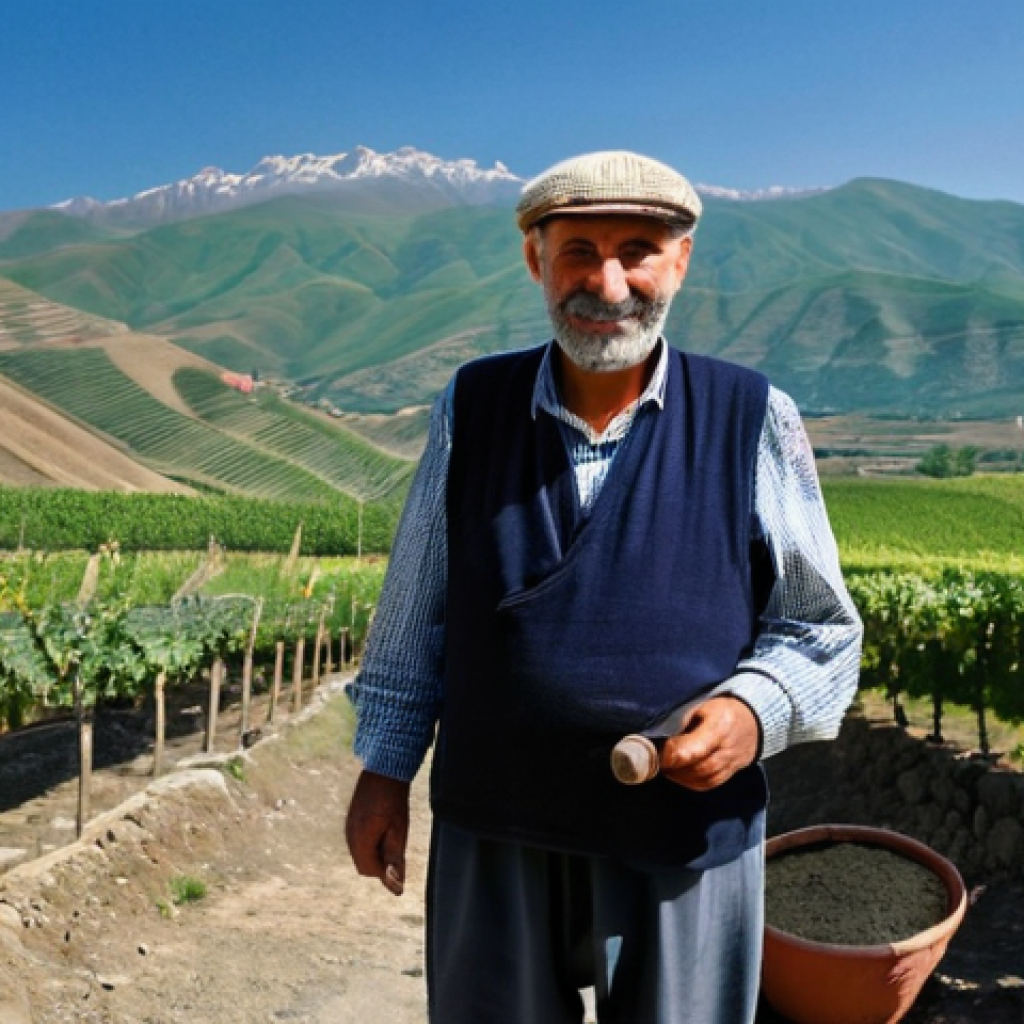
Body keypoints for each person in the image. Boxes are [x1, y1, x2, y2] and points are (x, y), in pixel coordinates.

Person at [345, 150, 863, 1024]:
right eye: (579, 252)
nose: (608, 282)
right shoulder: (472, 406)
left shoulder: (752, 416)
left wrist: (755, 711)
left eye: (637, 252)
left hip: (683, 834)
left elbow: (819, 627)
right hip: (496, 814)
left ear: (681, 261)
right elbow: (416, 607)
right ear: (536, 260)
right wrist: (385, 767)